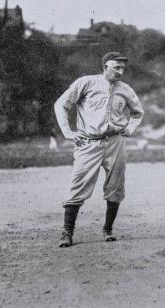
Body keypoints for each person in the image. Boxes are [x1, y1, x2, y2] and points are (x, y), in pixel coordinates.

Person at [54, 51, 144, 247]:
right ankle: (67, 233)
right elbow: (61, 104)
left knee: (116, 186)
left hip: (115, 142)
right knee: (78, 184)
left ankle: (108, 230)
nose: (120, 71)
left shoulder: (125, 89)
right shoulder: (86, 82)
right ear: (105, 67)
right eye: (116, 67)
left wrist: (130, 128)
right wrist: (68, 132)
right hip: (89, 142)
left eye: (123, 68)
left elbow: (138, 113)